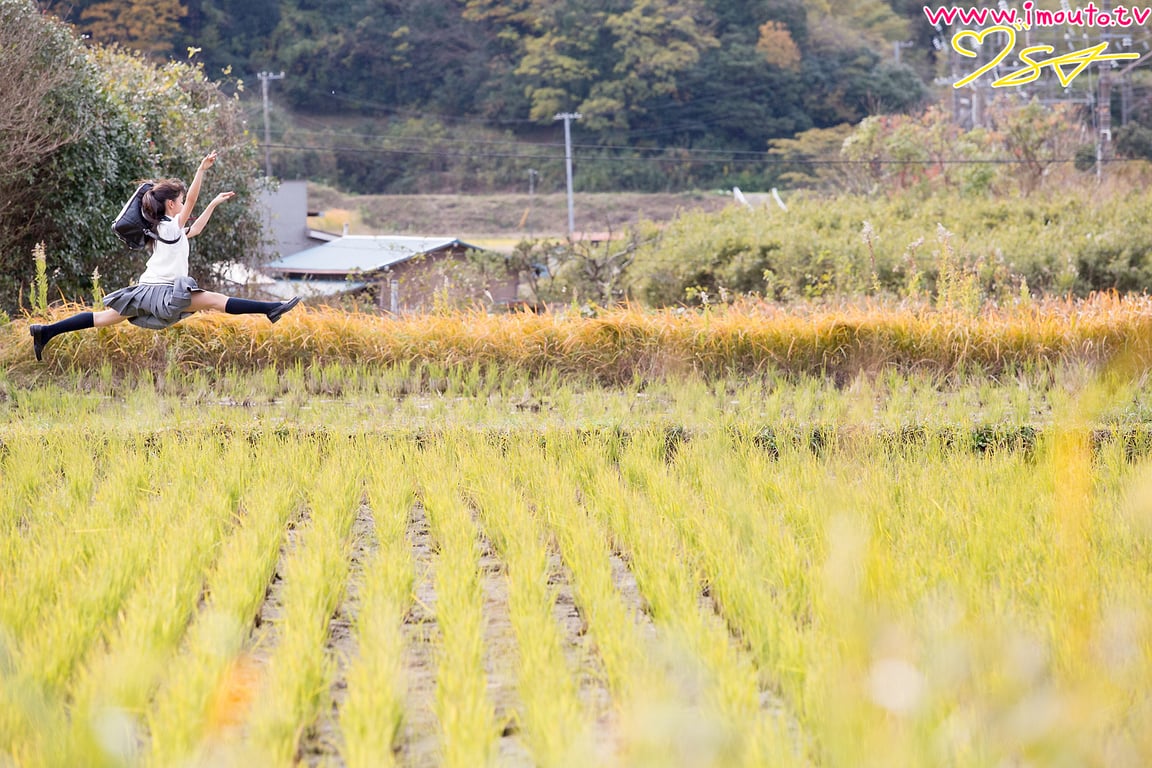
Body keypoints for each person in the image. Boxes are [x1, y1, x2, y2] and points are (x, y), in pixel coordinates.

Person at [29, 151, 299, 361]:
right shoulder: (169, 226)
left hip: (145, 291)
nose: (183, 204)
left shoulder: (164, 229)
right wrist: (200, 170)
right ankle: (270, 308)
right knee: (215, 300)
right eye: (180, 201)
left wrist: (214, 204)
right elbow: (191, 203)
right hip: (163, 292)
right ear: (171, 204)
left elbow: (195, 229)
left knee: (102, 318)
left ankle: (46, 331)